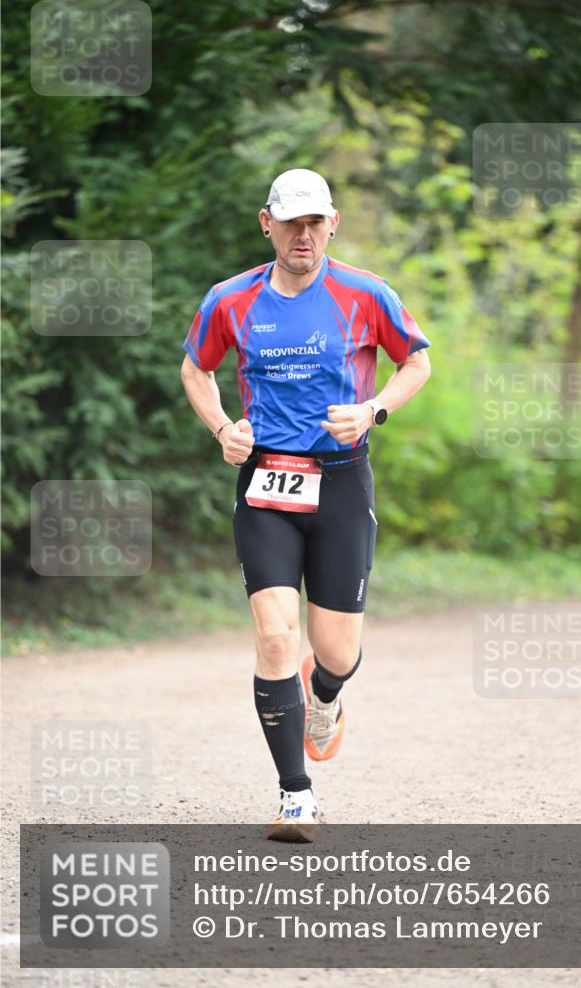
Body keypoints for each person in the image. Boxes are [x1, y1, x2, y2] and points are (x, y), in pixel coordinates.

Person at [181, 168, 430, 841]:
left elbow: (416, 363)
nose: (303, 234)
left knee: (335, 651)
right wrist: (222, 428)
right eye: (291, 221)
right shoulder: (230, 301)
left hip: (341, 483)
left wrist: (373, 409)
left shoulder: (364, 293)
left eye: (315, 221)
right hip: (266, 485)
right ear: (267, 223)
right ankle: (296, 795)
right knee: (273, 636)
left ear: (332, 224)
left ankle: (326, 695)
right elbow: (195, 367)